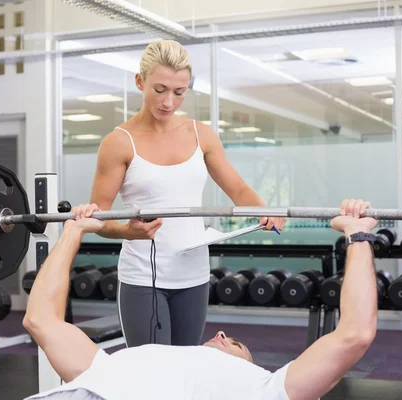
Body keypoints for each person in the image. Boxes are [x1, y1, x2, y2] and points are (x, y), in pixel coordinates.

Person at [23, 198, 379, 400]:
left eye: (237, 343)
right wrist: (73, 231)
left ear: (253, 367)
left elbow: (355, 334)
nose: (222, 334)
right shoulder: (108, 366)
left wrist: (358, 235)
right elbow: (39, 320)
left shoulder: (265, 389)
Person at [75, 39, 287, 348]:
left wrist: (265, 209)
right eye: (160, 89)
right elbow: (97, 219)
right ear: (139, 81)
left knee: (188, 367)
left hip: (194, 276)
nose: (169, 102)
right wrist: (129, 232)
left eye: (179, 92)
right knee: (154, 378)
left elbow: (238, 188)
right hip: (143, 277)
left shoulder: (202, 134)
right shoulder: (119, 143)